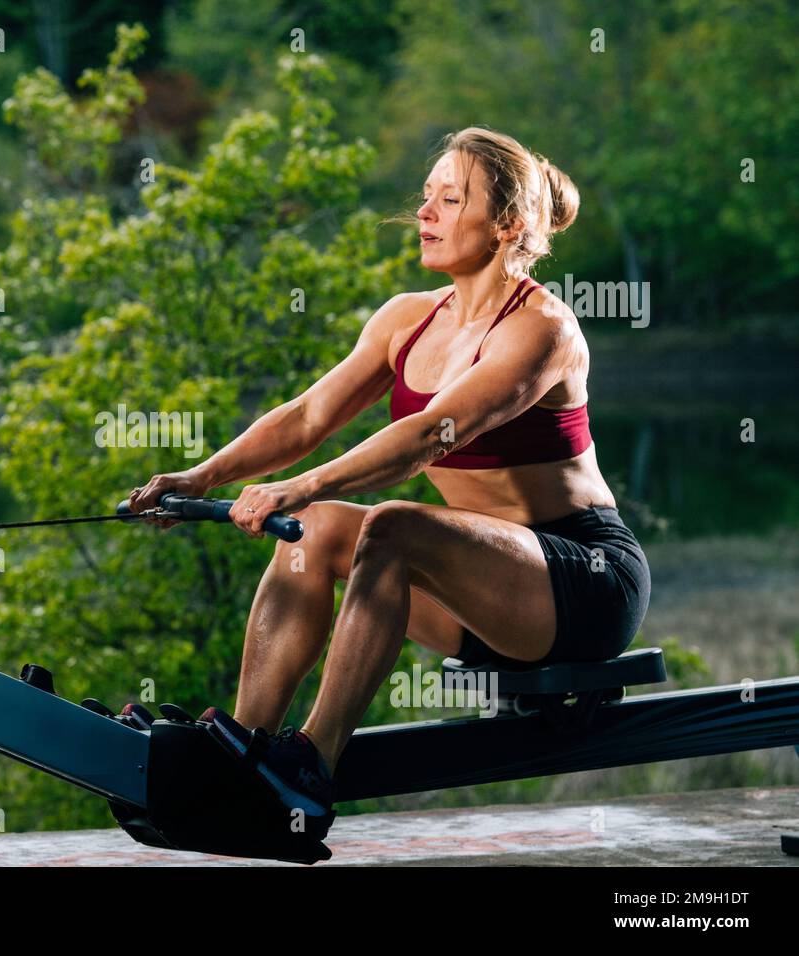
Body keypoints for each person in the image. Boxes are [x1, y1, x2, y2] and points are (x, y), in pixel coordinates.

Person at [126, 127, 651, 831]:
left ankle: (310, 765)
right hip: (475, 595)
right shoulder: (407, 320)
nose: (425, 213)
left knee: (392, 525)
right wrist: (199, 476)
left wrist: (298, 486)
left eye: (450, 198)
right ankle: (243, 756)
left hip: (580, 581)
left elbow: (430, 435)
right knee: (312, 532)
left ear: (507, 226)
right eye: (426, 196)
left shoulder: (541, 330)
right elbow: (309, 415)